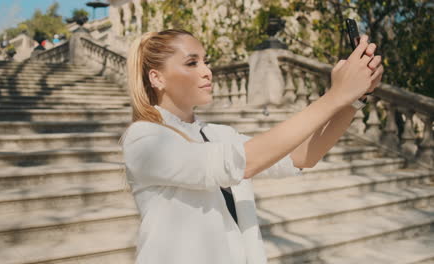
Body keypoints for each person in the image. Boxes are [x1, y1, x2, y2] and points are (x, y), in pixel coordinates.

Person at [121, 29, 383, 264]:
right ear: (156, 78)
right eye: (192, 62)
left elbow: (302, 156)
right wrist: (336, 94)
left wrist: (353, 99)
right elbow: (242, 162)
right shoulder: (145, 138)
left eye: (206, 61)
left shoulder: (217, 134)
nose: (206, 71)